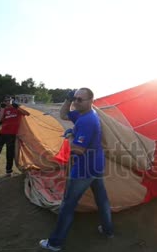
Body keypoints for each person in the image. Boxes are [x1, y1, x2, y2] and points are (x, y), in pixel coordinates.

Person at [39, 88, 113, 251]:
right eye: (75, 98)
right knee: (102, 200)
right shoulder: (83, 114)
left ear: (91, 100)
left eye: (80, 99)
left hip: (84, 169)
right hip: (96, 165)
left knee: (67, 205)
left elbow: (78, 150)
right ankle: (108, 230)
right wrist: (67, 99)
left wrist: (71, 135)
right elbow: (64, 115)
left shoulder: (87, 120)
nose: (76, 102)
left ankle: (55, 243)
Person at [0, 96, 30, 177]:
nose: (7, 101)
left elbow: (27, 113)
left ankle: (8, 170)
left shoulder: (17, 108)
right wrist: (2, 108)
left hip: (12, 134)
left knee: (9, 153)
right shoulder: (5, 109)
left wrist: (16, 107)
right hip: (2, 133)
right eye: (5, 100)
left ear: (12, 100)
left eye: (8, 100)